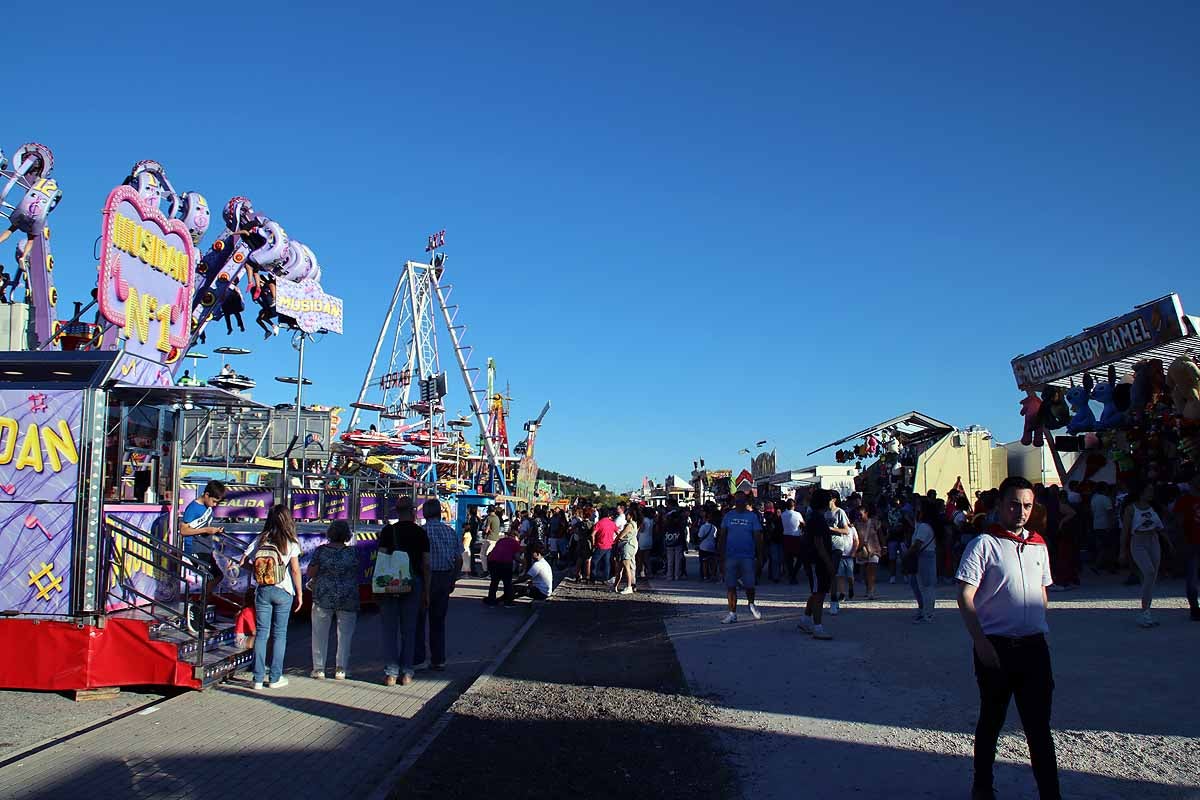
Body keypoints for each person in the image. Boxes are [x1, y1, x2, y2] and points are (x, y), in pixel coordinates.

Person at [956, 476, 1060, 800]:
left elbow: (1043, 591)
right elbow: (964, 595)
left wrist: (1033, 616)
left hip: (1033, 647)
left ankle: (1050, 793)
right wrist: (980, 641)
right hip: (996, 647)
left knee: (1039, 728)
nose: (1021, 511)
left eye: (1027, 505)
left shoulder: (1039, 545)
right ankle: (982, 786)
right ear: (1000, 505)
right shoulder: (983, 545)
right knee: (991, 721)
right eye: (1014, 504)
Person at [246, 505, 303, 690]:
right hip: (283, 590)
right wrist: (300, 594)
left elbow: (244, 561)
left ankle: (257, 678)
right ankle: (275, 677)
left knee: (262, 634)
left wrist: (258, 572)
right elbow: (295, 570)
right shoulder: (290, 541)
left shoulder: (260, 539)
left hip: (262, 590)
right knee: (280, 635)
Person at [377, 499, 429, 686]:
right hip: (413, 582)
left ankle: (391, 673)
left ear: (396, 512)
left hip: (391, 582)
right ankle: (407, 673)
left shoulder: (388, 531)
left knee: (390, 630)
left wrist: (378, 587)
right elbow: (426, 563)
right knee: (409, 630)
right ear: (413, 512)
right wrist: (426, 590)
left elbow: (381, 558)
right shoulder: (420, 533)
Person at [308, 520, 359, 680]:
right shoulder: (352, 552)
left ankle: (319, 669)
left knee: (319, 633)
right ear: (346, 535)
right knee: (345, 634)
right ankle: (341, 669)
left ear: (330, 534)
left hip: (324, 595)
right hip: (347, 596)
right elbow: (357, 569)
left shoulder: (321, 551)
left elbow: (311, 572)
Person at [418, 499, 461, 671]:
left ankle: (419, 658)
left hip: (424, 579)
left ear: (425, 514)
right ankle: (438, 660)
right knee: (438, 622)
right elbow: (458, 559)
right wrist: (453, 579)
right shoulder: (450, 532)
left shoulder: (421, 532)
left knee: (419, 621)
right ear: (439, 513)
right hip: (444, 578)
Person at [1120, 481, 1168, 628]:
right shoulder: (1131, 509)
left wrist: (1170, 544)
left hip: (1153, 540)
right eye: (1149, 490)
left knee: (1152, 577)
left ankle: (1147, 611)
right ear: (1141, 492)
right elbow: (1125, 530)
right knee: (1149, 571)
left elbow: (1160, 528)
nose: (1151, 493)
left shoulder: (1154, 508)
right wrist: (1122, 550)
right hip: (1138, 541)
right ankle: (1144, 611)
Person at [716, 492, 764, 624]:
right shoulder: (728, 516)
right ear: (734, 502)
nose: (739, 503)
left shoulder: (752, 517)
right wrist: (721, 556)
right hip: (730, 556)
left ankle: (751, 603)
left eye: (742, 500)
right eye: (737, 500)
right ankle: (732, 613)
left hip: (747, 556)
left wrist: (760, 556)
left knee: (750, 585)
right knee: (730, 586)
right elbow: (722, 536)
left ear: (746, 501)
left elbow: (758, 537)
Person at [798, 490, 836, 640]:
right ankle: (817, 627)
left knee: (816, 592)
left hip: (815, 560)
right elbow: (819, 543)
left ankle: (805, 620)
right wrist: (829, 563)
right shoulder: (818, 520)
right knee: (819, 594)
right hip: (817, 561)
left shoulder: (814, 517)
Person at [180, 480, 228, 585]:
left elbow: (205, 525)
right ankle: (202, 600)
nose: (215, 505)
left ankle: (204, 599)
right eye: (214, 501)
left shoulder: (208, 507)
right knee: (212, 576)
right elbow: (183, 530)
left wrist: (215, 530)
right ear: (207, 495)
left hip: (205, 547)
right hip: (195, 548)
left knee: (216, 576)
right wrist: (206, 530)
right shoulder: (193, 508)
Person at [1172, 472, 1200, 621]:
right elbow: (1178, 522)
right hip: (1191, 542)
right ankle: (1194, 608)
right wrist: (1182, 542)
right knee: (1192, 577)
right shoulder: (1184, 500)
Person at [826, 493, 855, 614]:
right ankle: (833, 598)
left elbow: (846, 530)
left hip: (837, 546)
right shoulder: (824, 512)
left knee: (834, 573)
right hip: (825, 545)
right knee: (827, 574)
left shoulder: (840, 512)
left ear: (833, 499)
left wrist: (832, 529)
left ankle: (833, 600)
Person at [910, 501, 939, 623]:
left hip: (923, 557)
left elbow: (917, 544)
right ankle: (926, 612)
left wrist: (907, 554)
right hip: (929, 556)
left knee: (925, 587)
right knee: (926, 587)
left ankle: (927, 613)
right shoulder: (929, 525)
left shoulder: (924, 527)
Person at [485, 526, 523, 606]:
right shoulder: (515, 543)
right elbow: (516, 557)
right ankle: (508, 602)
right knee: (507, 583)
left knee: (494, 582)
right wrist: (523, 563)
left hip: (493, 562)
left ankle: (491, 600)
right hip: (505, 563)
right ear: (515, 536)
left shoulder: (501, 540)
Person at [856, 505, 882, 599]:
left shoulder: (875, 523)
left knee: (872, 570)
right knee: (865, 572)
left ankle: (871, 590)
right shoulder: (856, 524)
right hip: (862, 550)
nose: (859, 517)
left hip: (874, 548)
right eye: (857, 515)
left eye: (860, 514)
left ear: (866, 513)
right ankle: (868, 589)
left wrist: (884, 546)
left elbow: (880, 534)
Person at [613, 505, 640, 594]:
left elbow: (621, 535)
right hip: (627, 545)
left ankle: (629, 586)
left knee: (626, 566)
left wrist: (616, 539)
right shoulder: (634, 524)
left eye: (627, 514)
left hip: (627, 546)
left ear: (631, 515)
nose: (626, 516)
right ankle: (615, 586)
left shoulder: (630, 525)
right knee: (621, 567)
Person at [780, 499, 807, 585]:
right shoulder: (797, 514)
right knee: (800, 557)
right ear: (794, 506)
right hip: (796, 537)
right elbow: (803, 524)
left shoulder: (782, 514)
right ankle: (794, 574)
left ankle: (791, 575)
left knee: (789, 559)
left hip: (786, 536)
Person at [591, 507, 618, 582]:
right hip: (609, 545)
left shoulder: (599, 523)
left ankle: (593, 577)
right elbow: (618, 533)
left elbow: (592, 534)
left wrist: (593, 544)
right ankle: (605, 578)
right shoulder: (612, 523)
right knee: (607, 562)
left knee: (595, 561)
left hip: (600, 545)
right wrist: (615, 541)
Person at [662, 499, 687, 580]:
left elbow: (664, 525)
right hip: (678, 538)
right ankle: (677, 575)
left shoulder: (667, 515)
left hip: (669, 537)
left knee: (670, 559)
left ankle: (669, 575)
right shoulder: (681, 514)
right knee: (678, 559)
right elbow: (683, 527)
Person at [697, 508, 719, 581]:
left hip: (703, 547)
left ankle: (705, 576)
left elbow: (700, 536)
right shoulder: (714, 527)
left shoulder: (703, 527)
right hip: (712, 546)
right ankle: (713, 575)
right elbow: (715, 536)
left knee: (704, 562)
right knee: (712, 562)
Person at [636, 507, 655, 580]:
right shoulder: (651, 520)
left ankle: (639, 572)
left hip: (642, 539)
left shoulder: (643, 520)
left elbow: (642, 530)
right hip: (649, 539)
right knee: (647, 558)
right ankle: (649, 572)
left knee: (640, 558)